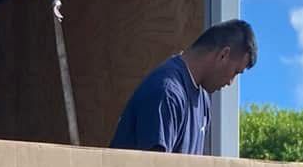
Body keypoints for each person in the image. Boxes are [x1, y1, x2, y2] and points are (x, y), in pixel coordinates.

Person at [110, 20, 258, 154]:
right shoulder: (166, 93)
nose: (230, 82)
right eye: (235, 72)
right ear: (223, 55)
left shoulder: (203, 99)